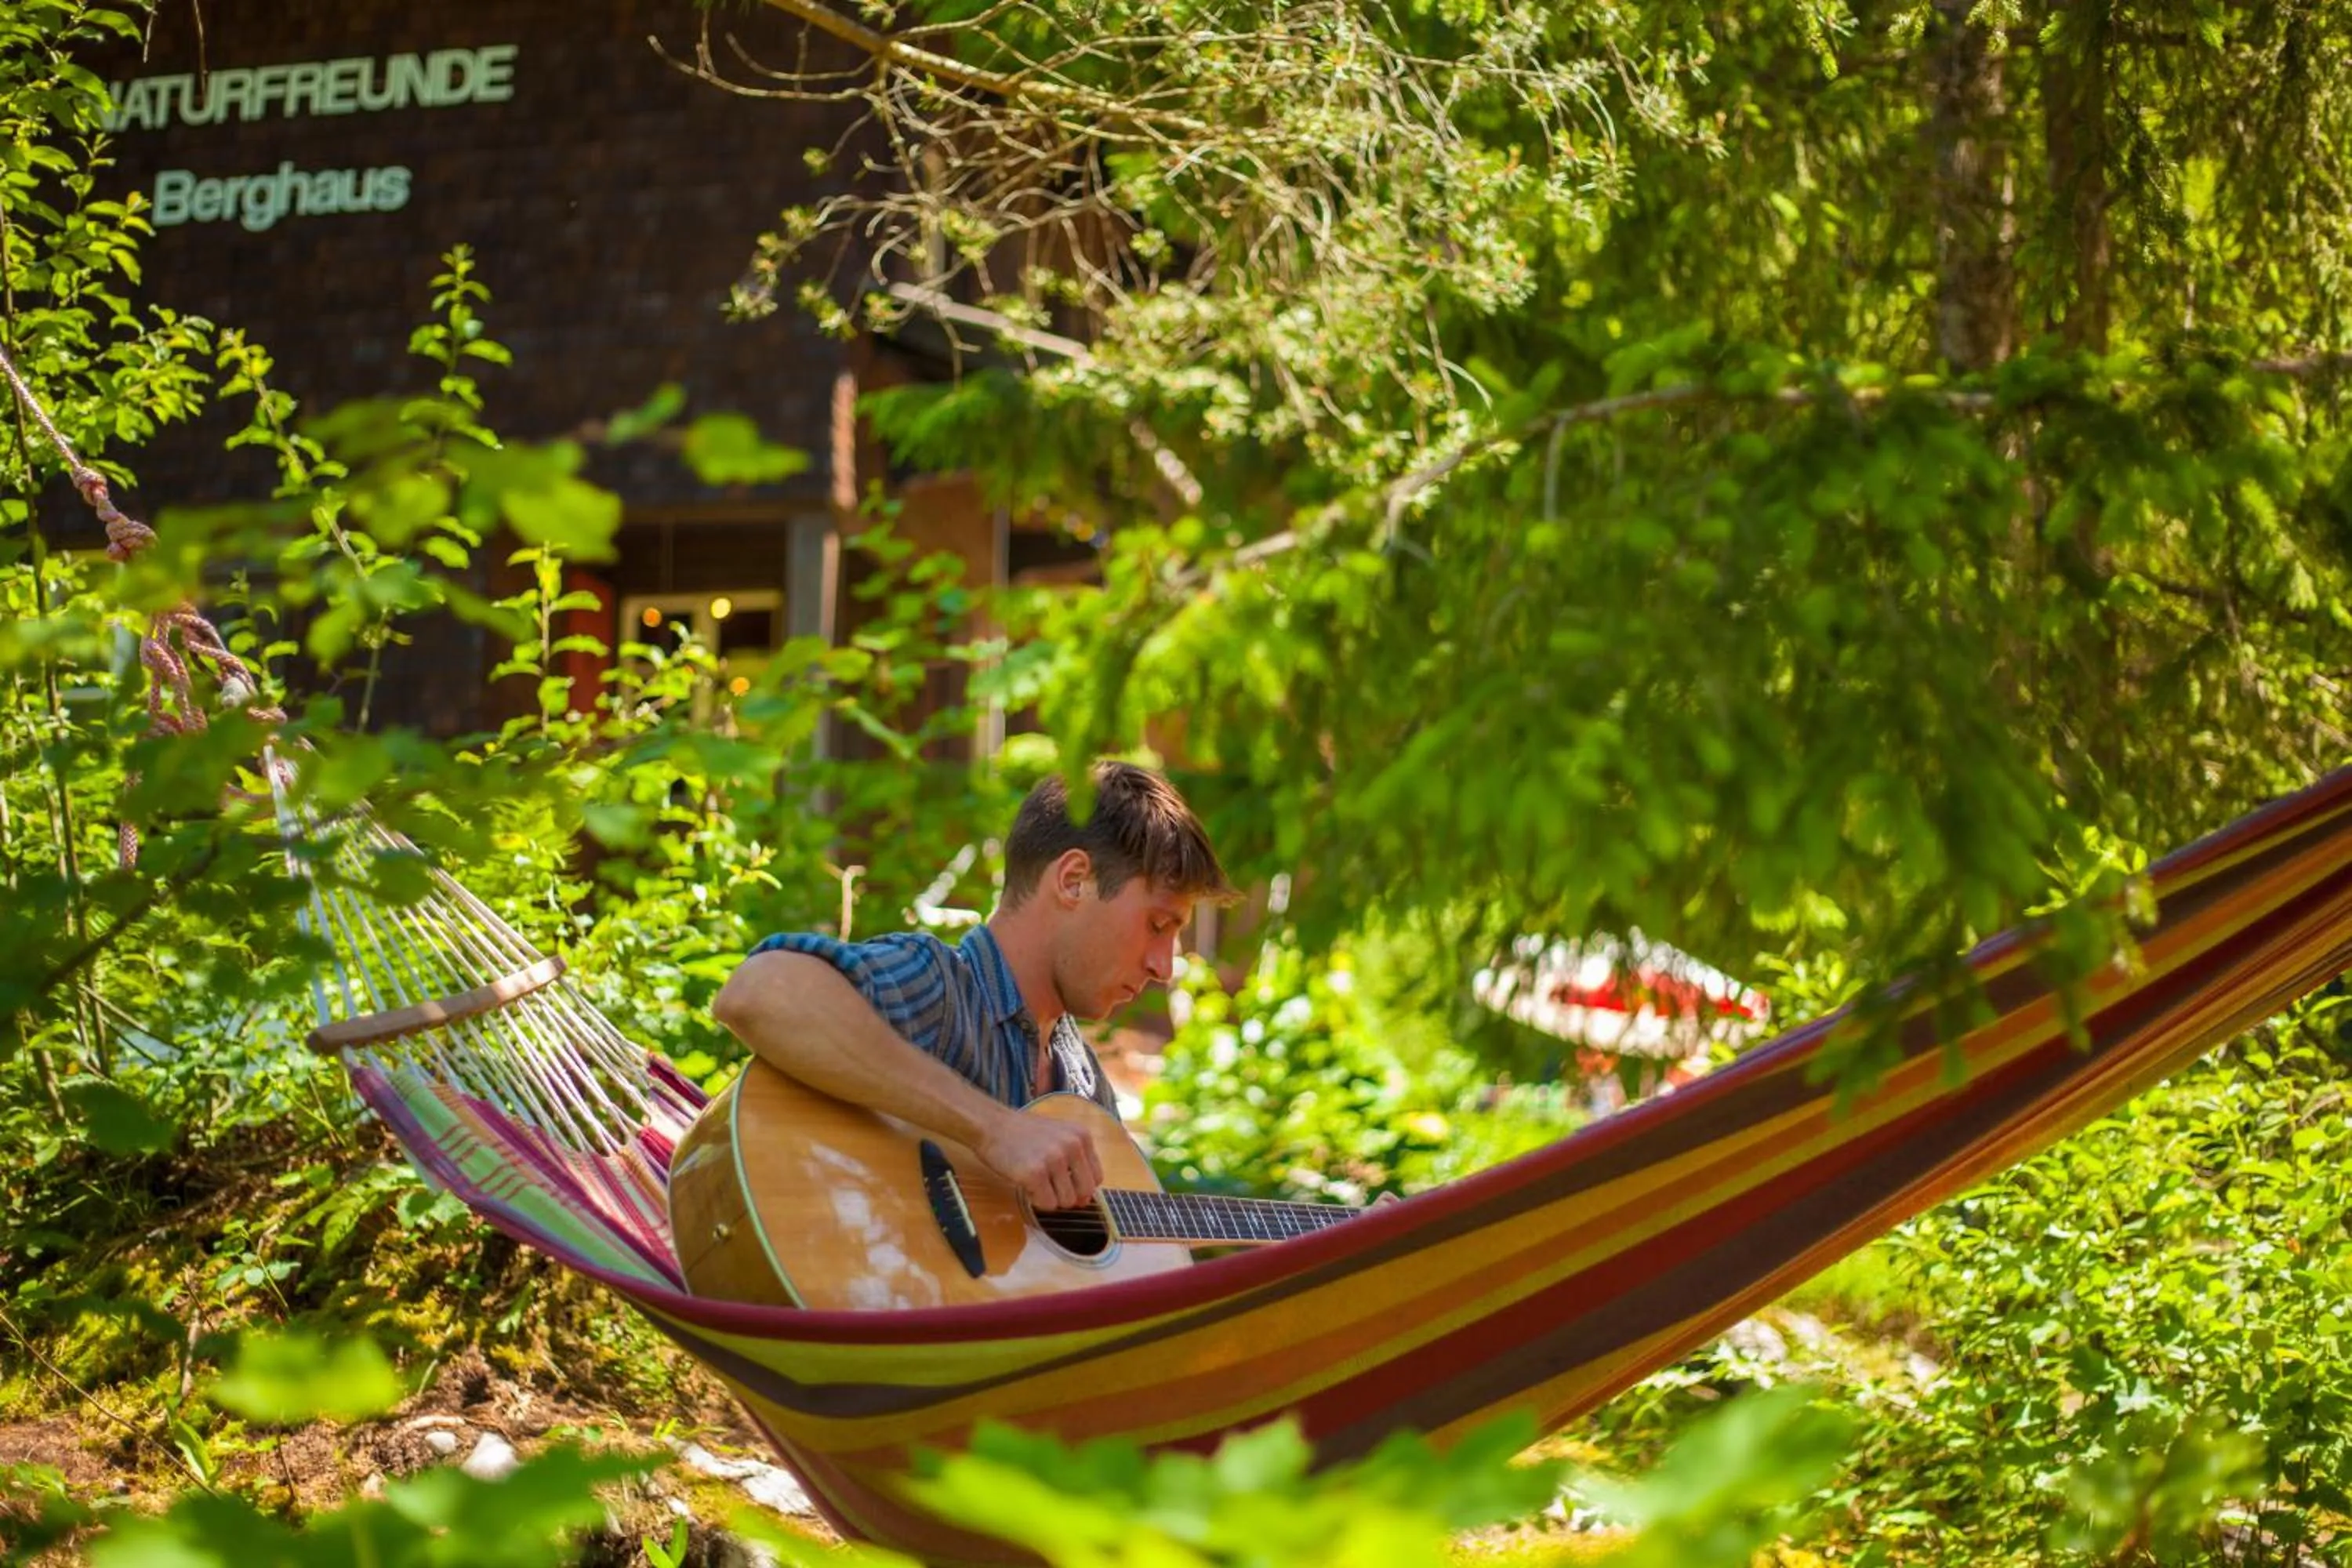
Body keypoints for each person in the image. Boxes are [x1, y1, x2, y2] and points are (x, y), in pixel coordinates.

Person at [712, 760, 1236, 1213]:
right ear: (1074, 880)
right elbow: (758, 991)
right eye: (1158, 925)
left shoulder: (1085, 1089)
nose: (1164, 967)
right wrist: (995, 1130)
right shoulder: (943, 989)